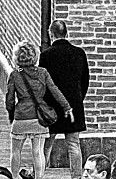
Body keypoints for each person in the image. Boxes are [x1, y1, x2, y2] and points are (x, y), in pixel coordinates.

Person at [2, 40, 72, 179]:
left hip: (21, 117)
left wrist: (11, 115)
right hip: (40, 118)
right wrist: (66, 106)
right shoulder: (43, 73)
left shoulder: (15, 75)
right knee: (38, 152)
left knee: (15, 152)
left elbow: (10, 100)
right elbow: (54, 90)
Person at [39, 18, 91, 146]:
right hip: (74, 104)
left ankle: (42, 167)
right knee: (74, 144)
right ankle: (76, 168)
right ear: (66, 34)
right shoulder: (79, 53)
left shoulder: (46, 55)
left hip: (52, 105)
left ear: (51, 34)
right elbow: (85, 80)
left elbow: (42, 83)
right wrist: (78, 98)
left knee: (47, 144)